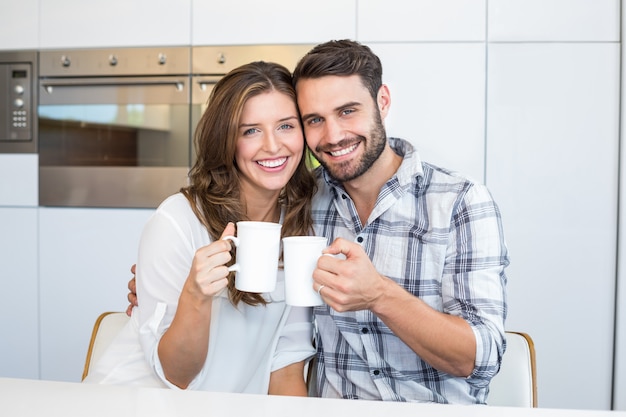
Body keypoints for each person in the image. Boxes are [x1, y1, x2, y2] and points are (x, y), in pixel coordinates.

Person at [127, 39, 509, 404]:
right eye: (314, 119)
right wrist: (160, 284)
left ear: (383, 101)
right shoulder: (305, 204)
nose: (334, 135)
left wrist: (379, 295)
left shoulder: (459, 202)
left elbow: (482, 358)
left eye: (347, 111)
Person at [84, 61, 317, 396]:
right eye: (250, 130)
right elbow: (176, 376)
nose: (273, 145)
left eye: (286, 126)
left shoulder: (299, 225)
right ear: (225, 140)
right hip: (135, 401)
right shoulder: (177, 221)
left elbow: (285, 367)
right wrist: (196, 295)